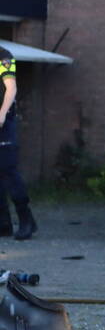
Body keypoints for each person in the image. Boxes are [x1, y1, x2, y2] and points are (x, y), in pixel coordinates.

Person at [0, 48, 35, 240]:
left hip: (4, 122)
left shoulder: (3, 56)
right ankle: (3, 223)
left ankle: (26, 219)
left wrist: (2, 113)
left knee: (8, 170)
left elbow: (11, 87)